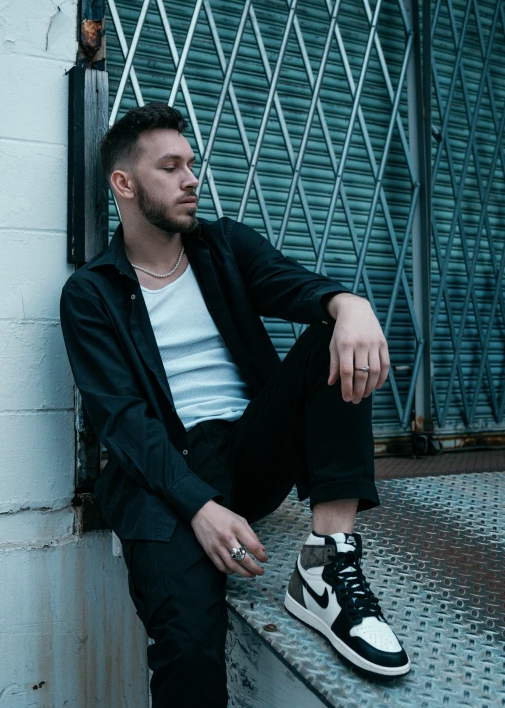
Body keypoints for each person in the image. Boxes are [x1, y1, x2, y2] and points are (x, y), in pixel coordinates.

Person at [60, 102, 410, 707]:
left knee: (334, 332)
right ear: (124, 184)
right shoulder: (91, 295)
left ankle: (326, 565)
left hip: (246, 450)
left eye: (190, 164)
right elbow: (123, 424)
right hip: (161, 475)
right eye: (170, 167)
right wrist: (198, 507)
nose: (191, 179)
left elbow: (292, 284)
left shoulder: (223, 246)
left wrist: (350, 304)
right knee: (190, 643)